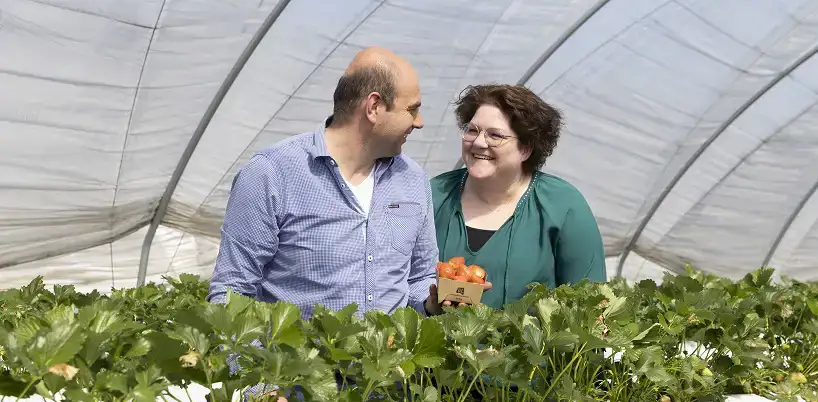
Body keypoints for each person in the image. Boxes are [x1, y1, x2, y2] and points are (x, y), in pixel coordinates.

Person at [208, 46, 445, 318]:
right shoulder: (272, 174)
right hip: (300, 360)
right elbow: (232, 292)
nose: (420, 122)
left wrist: (430, 304)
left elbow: (418, 278)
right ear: (374, 107)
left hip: (388, 360)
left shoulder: (412, 179)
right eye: (412, 110)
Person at [431, 84, 606, 309]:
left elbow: (591, 304)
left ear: (526, 148)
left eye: (495, 135)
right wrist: (428, 306)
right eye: (473, 130)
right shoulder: (435, 194)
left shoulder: (564, 206)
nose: (479, 142)